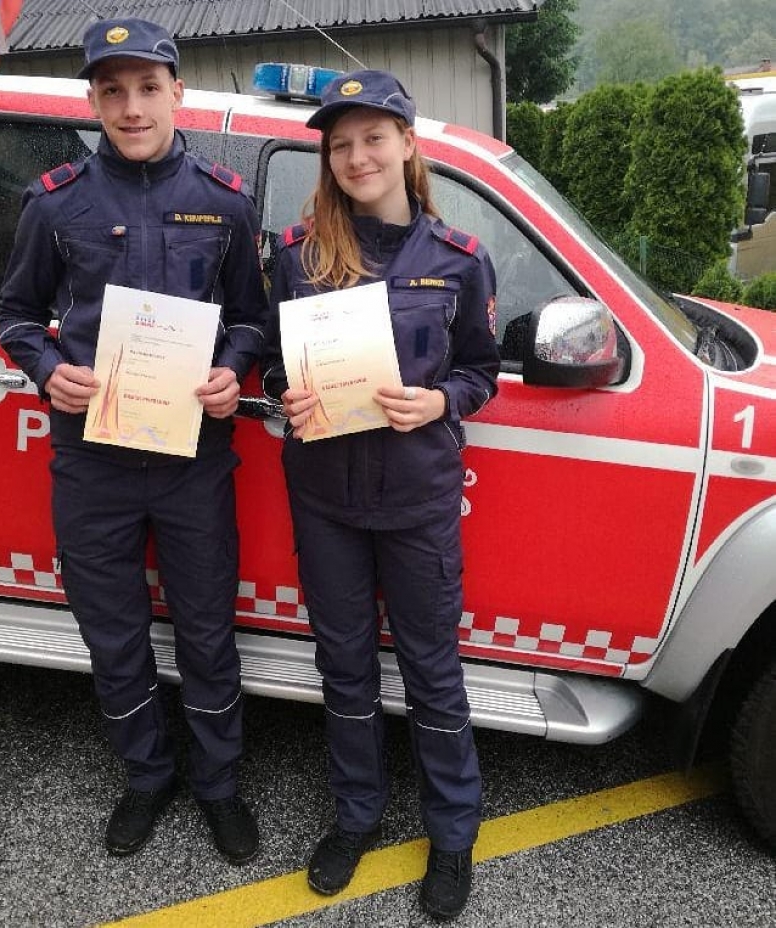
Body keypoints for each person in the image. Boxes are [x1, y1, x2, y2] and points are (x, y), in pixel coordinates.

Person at [0, 18, 268, 864]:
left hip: (193, 461)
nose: (132, 106)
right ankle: (147, 776)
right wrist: (48, 369)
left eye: (148, 87)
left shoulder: (225, 200)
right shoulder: (55, 202)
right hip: (91, 460)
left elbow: (251, 319)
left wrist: (232, 370)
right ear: (93, 101)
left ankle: (218, 785)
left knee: (206, 632)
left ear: (177, 92)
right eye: (112, 91)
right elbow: (14, 315)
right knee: (112, 634)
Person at [261, 69, 500, 920]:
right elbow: (272, 364)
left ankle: (454, 832)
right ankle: (356, 816)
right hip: (324, 497)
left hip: (417, 501)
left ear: (406, 143)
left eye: (373, 138)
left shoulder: (460, 259)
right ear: (328, 158)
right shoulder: (298, 255)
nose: (357, 156)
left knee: (433, 670)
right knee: (345, 665)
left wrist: (440, 401)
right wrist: (283, 391)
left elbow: (481, 371)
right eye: (341, 144)